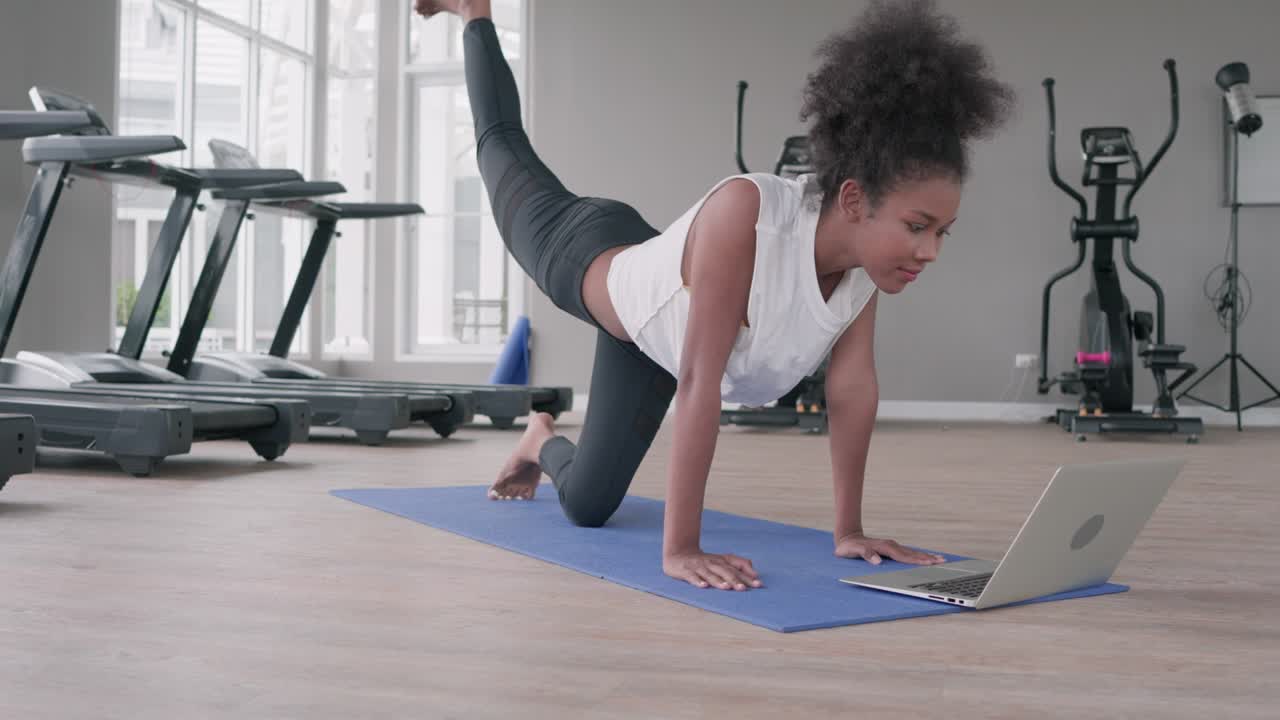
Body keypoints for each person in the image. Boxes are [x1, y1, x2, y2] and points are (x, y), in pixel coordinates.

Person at [412, 0, 1014, 592]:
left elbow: (852, 389)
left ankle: (540, 437)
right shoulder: (748, 213)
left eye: (942, 232)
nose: (930, 250)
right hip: (585, 254)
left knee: (588, 507)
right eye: (917, 226)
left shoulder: (861, 271)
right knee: (501, 147)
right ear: (855, 201)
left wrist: (850, 531)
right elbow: (700, 380)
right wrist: (680, 549)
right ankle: (474, 12)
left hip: (655, 332)